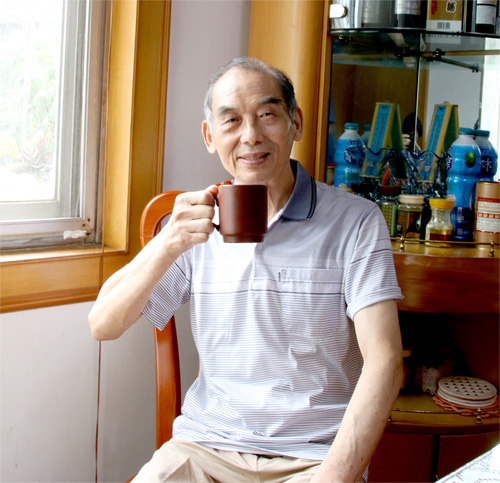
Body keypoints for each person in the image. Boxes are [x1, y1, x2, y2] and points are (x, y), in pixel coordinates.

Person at [89, 57, 403, 482]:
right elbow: (103, 324)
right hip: (205, 446)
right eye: (232, 120)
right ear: (210, 136)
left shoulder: (356, 221)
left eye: (267, 115)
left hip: (312, 456)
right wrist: (168, 242)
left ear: (295, 123)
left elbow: (386, 361)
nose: (251, 135)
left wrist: (331, 477)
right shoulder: (194, 227)